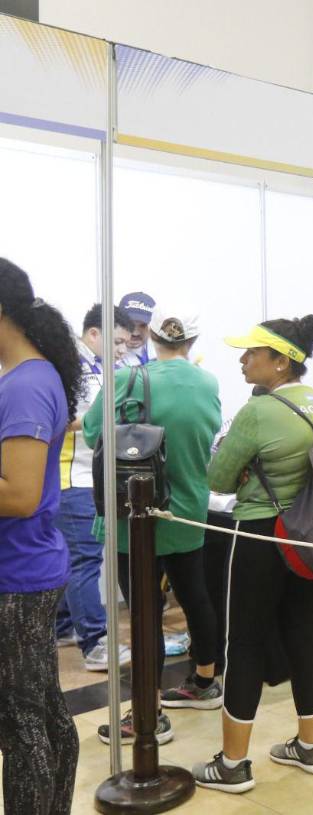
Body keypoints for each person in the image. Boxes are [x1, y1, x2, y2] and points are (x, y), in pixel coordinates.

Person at [193, 314, 313, 793]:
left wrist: (248, 469)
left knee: (245, 642)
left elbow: (217, 480)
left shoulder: (257, 411)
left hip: (260, 536)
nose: (243, 360)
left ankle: (233, 764)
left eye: (253, 353)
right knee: (302, 634)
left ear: (280, 361)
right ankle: (310, 747)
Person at [87, 304, 224, 744]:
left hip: (137, 517)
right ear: (192, 342)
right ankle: (205, 682)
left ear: (150, 337)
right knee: (195, 596)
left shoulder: (127, 379)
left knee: (144, 611)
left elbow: (93, 433)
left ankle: (149, 712)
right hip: (188, 510)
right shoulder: (208, 382)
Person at [0, 260, 83, 815]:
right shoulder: (30, 377)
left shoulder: (27, 385)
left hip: (17, 577)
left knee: (21, 719)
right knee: (43, 709)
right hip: (28, 569)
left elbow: (20, 494)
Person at [54, 304, 134, 672]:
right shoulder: (73, 369)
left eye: (125, 343)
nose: (121, 349)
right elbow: (64, 420)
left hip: (95, 477)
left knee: (75, 559)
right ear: (93, 334)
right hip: (74, 479)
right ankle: (95, 643)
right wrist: (101, 419)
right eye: (116, 341)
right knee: (85, 561)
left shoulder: (108, 369)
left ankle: (64, 626)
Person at [118, 290, 156, 367]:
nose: (135, 333)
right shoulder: (106, 355)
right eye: (130, 324)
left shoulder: (164, 348)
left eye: (143, 325)